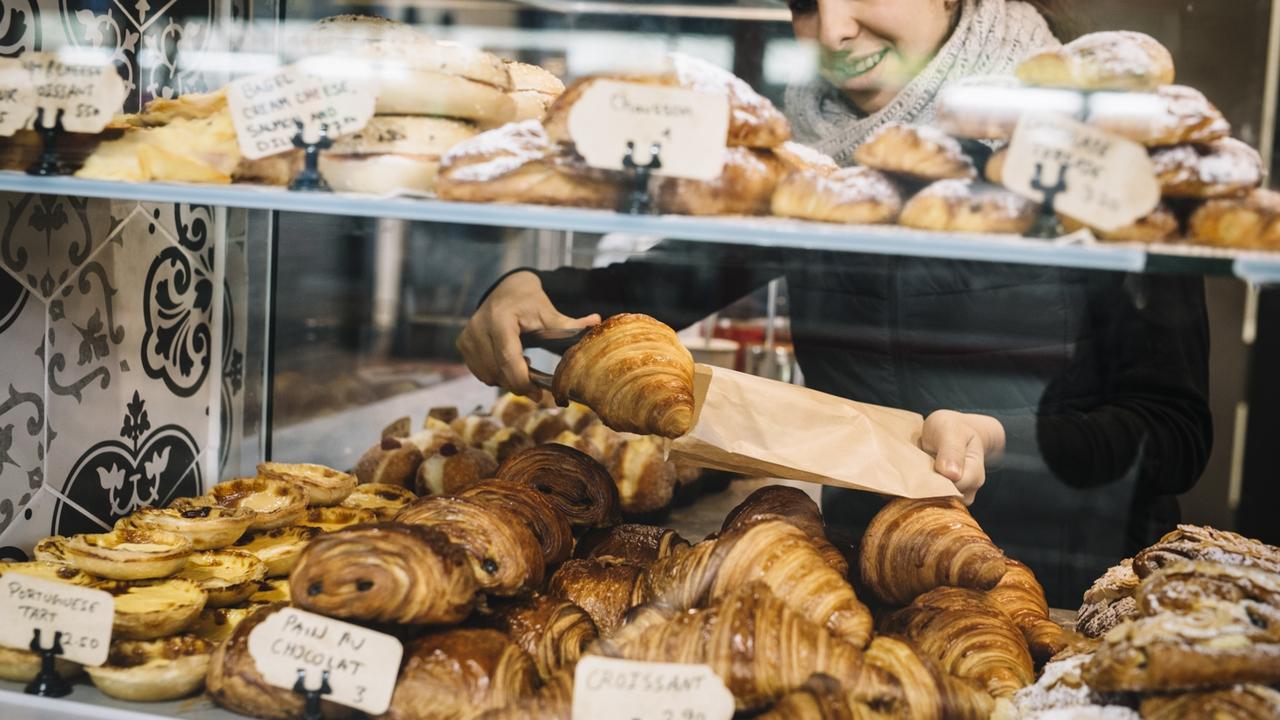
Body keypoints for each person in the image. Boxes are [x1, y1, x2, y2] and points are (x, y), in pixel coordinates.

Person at [457, 0, 1212, 606]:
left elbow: (1173, 429)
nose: (834, 29)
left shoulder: (1097, 149)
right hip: (870, 587)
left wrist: (998, 437)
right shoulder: (812, 170)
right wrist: (528, 290)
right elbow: (669, 283)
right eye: (804, 4)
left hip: (1071, 595)